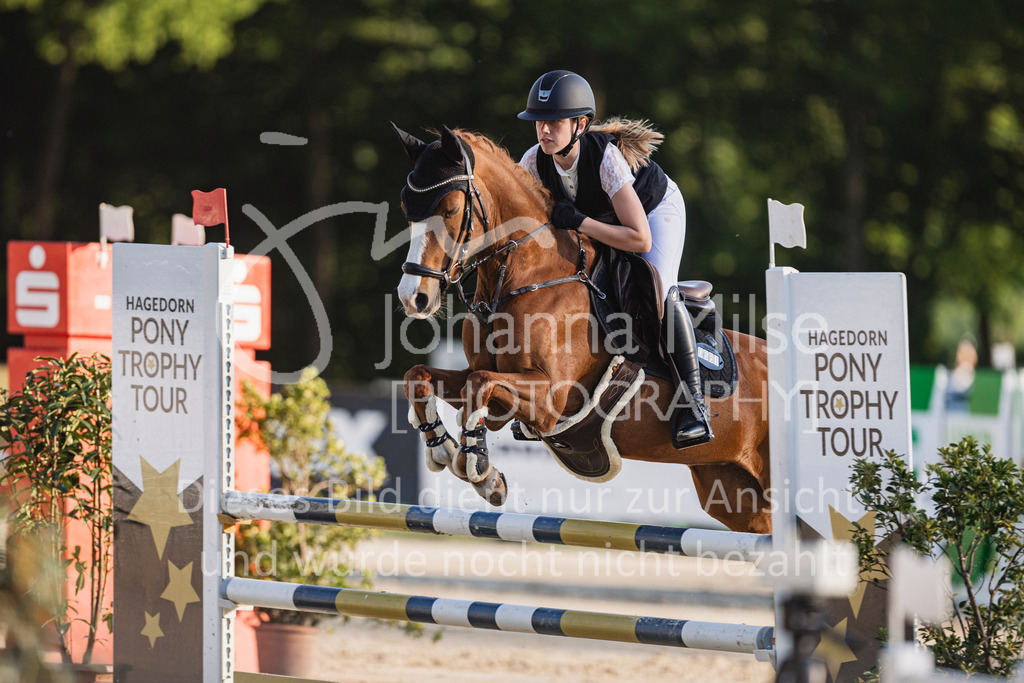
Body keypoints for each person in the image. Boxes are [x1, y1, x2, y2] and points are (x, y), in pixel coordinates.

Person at [517, 69, 710, 449]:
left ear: (580, 124)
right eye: (540, 121)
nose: (544, 130)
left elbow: (639, 239)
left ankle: (694, 403)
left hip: (653, 215)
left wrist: (581, 222)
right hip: (604, 222)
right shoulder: (532, 162)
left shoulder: (605, 159)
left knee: (660, 289)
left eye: (555, 122)